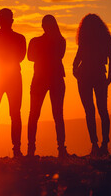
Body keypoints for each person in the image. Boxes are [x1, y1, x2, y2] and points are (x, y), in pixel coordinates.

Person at [0, 8, 26, 159]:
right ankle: (13, 150)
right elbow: (19, 56)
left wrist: (1, 57)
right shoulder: (19, 38)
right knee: (9, 114)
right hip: (9, 77)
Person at [73, 13, 111, 157]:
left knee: (91, 112)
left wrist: (75, 72)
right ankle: (102, 145)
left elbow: (76, 61)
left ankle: (96, 145)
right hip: (97, 76)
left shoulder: (86, 40)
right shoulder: (105, 39)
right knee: (101, 110)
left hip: (87, 77)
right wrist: (109, 77)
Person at [27, 15, 69, 158]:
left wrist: (42, 54)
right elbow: (59, 55)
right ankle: (61, 148)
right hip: (56, 78)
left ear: (43, 26)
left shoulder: (35, 41)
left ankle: (31, 149)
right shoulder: (61, 41)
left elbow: (30, 57)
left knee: (34, 114)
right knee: (58, 114)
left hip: (40, 78)